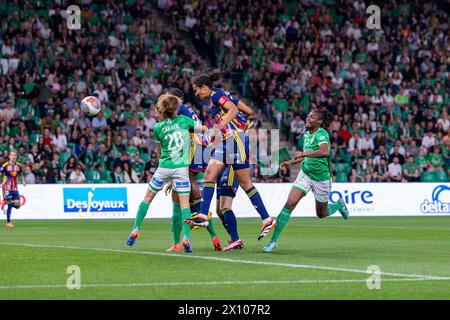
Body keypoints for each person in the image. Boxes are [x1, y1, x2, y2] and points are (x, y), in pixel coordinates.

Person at [191, 65, 276, 246]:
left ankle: (203, 215)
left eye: (197, 90)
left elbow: (234, 110)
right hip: (234, 140)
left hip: (233, 140)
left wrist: (223, 126)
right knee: (239, 182)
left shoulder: (216, 95)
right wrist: (241, 124)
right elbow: (247, 111)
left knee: (216, 176)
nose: (196, 93)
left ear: (205, 87)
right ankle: (266, 219)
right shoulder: (221, 94)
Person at [126, 93, 207, 253]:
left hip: (163, 168)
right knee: (185, 206)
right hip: (181, 169)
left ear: (163, 111)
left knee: (147, 198)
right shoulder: (184, 121)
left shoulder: (158, 128)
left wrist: (162, 149)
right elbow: (202, 128)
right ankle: (186, 238)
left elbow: (158, 149)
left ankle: (136, 229)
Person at [262, 108, 349, 253]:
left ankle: (339, 205)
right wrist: (289, 163)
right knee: (290, 203)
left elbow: (324, 151)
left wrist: (305, 153)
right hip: (306, 173)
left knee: (321, 214)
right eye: (307, 117)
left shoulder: (322, 134)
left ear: (319, 122)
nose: (307, 119)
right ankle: (273, 241)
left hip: (322, 178)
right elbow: (305, 156)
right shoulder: (307, 134)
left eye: (311, 118)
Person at [163, 88, 223, 252]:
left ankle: (179, 242)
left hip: (190, 152)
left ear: (179, 98)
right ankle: (214, 237)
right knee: (198, 202)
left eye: (171, 98)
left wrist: (172, 176)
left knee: (179, 202)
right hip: (202, 153)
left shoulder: (178, 111)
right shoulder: (188, 110)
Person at [0, 151, 26, 228]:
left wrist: (23, 181)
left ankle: (5, 202)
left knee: (18, 206)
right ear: (9, 157)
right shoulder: (5, 165)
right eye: (12, 155)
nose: (13, 156)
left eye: (15, 155)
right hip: (6, 188)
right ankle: (8, 222)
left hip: (15, 188)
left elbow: (20, 174)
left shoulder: (19, 166)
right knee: (10, 205)